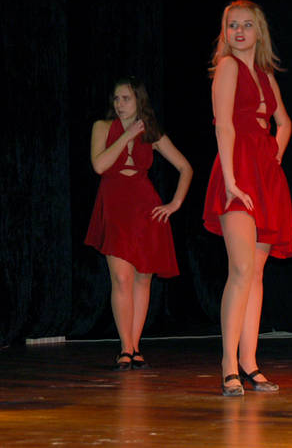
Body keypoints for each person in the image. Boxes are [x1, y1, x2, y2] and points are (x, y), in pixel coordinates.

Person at [203, 0, 292, 397]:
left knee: (256, 274)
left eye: (246, 25)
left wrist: (275, 156)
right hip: (236, 169)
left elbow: (284, 123)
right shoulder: (227, 67)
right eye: (232, 25)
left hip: (264, 174)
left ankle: (250, 362)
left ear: (259, 31)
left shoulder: (265, 73)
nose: (239, 31)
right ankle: (228, 364)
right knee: (241, 269)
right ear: (225, 32)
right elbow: (223, 126)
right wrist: (230, 181)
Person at [85, 76, 192, 371]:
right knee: (121, 278)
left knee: (143, 278)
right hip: (115, 205)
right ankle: (125, 347)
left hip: (145, 206)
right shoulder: (102, 127)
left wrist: (175, 203)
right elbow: (99, 165)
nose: (119, 104)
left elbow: (185, 167)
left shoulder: (151, 131)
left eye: (126, 98)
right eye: (116, 99)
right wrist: (126, 135)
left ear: (139, 100)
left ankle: (135, 346)